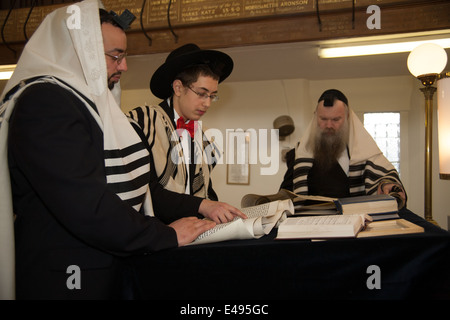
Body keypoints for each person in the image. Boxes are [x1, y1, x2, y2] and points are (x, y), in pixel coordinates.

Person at [0, 0, 215, 299]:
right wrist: (165, 234)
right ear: (80, 50)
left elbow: (141, 187)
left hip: (105, 268)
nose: (124, 66)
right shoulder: (45, 102)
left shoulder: (92, 105)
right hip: (67, 277)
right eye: (116, 56)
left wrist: (201, 207)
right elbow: (84, 205)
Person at [128, 43, 246, 224]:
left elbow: (204, 190)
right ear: (177, 88)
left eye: (212, 96)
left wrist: (221, 212)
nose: (208, 104)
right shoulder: (143, 122)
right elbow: (144, 191)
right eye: (201, 93)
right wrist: (203, 206)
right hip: (155, 234)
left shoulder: (202, 137)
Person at [280, 89, 406, 211]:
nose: (329, 125)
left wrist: (386, 185)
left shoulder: (363, 152)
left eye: (336, 119)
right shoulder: (298, 154)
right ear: (315, 117)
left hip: (358, 225)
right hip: (315, 228)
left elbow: (386, 178)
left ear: (347, 117)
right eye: (323, 119)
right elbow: (285, 196)